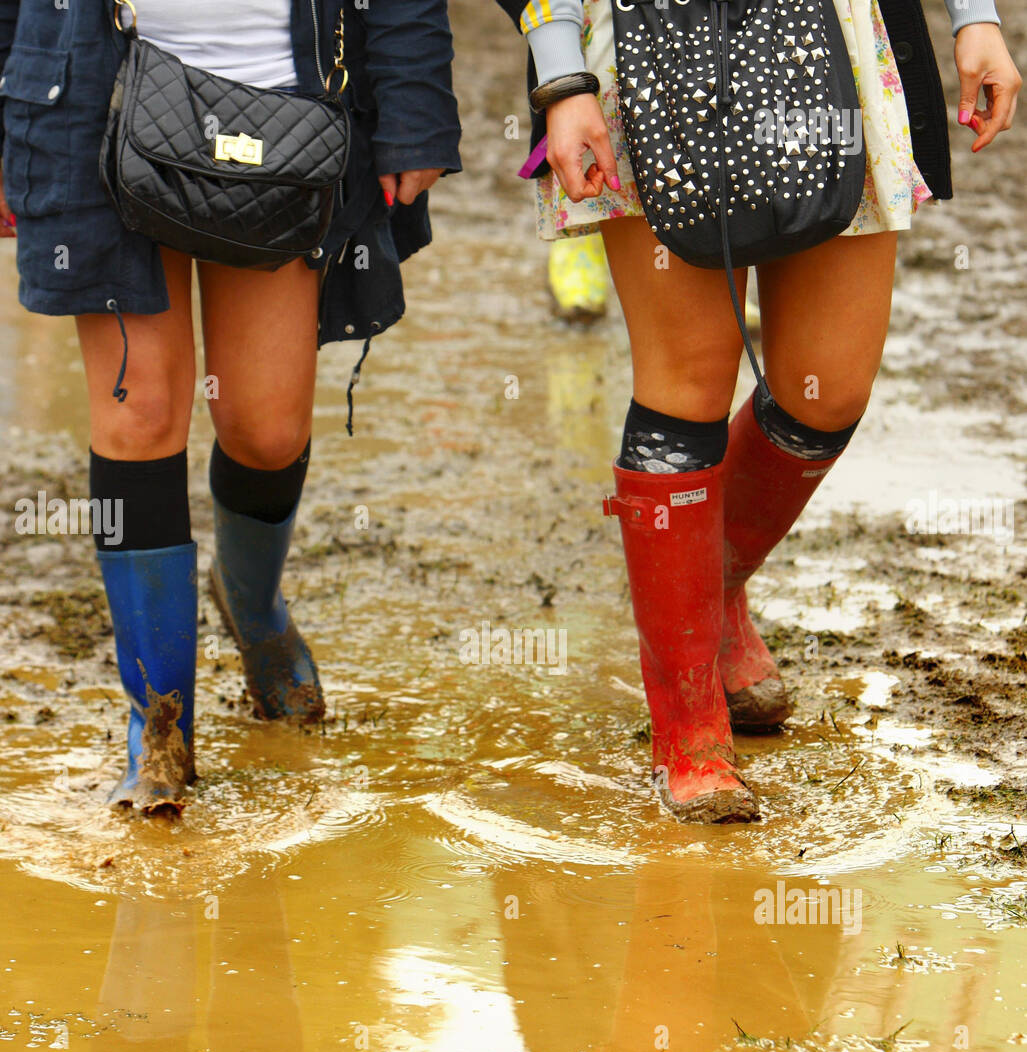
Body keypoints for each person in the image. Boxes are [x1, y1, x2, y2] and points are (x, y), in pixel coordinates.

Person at [499, 0, 1019, 823]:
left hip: (838, 40)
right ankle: (689, 727)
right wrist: (562, 77)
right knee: (686, 380)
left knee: (828, 391)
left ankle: (712, 589)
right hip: (646, 49)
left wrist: (974, 17)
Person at [0, 0, 461, 814]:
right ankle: (159, 729)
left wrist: (416, 106)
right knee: (137, 415)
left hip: (282, 113)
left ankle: (250, 603)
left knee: (267, 430)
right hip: (91, 102)